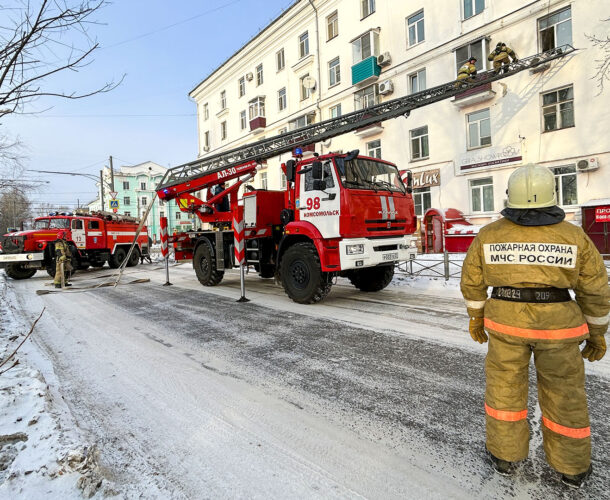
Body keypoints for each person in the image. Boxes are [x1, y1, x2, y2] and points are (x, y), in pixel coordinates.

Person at [460, 164, 609, 489]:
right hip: (559, 330)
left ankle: (505, 456)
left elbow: (472, 280)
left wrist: (476, 316)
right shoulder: (573, 236)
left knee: (504, 391)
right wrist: (597, 333)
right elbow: (595, 287)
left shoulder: (490, 234)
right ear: (552, 196)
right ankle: (572, 468)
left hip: (505, 326)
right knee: (565, 394)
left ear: (510, 197)